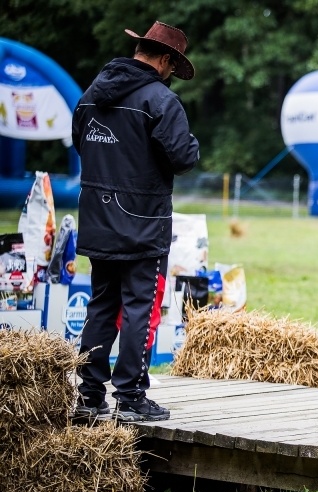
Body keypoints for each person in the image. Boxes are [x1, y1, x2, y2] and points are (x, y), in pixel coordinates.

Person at [71, 21, 199, 422]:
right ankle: (131, 396)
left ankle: (89, 396)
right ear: (164, 60)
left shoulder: (92, 93)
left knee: (101, 306)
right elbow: (183, 157)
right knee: (140, 307)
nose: (171, 76)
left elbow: (80, 142)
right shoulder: (159, 100)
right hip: (143, 221)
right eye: (172, 69)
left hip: (96, 215)